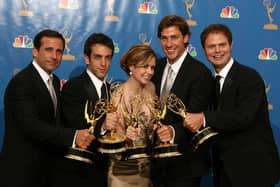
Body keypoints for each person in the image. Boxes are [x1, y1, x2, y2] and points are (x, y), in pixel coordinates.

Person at [184, 23, 280, 187]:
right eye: (211, 46)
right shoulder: (209, 82)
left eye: (222, 45)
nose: (217, 50)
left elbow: (243, 117)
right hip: (224, 170)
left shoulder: (249, 77)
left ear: (231, 46)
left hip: (253, 170)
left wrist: (204, 117)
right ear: (204, 49)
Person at [0, 29, 94, 187]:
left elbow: (54, 122)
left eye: (59, 51)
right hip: (22, 172)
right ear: (35, 51)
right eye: (48, 50)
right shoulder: (22, 82)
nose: (54, 56)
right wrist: (74, 136)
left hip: (46, 170)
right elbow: (31, 126)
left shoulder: (55, 81)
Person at [151, 15, 214, 187]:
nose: (169, 44)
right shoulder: (155, 67)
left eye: (174, 37)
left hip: (185, 163)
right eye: (164, 38)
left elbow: (195, 118)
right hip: (156, 162)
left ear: (186, 38)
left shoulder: (200, 73)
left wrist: (172, 131)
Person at [50, 33, 117, 187]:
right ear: (87, 58)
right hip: (77, 172)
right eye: (98, 57)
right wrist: (103, 126)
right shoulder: (74, 87)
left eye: (108, 58)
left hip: (103, 170)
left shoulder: (111, 90)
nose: (103, 63)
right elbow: (75, 123)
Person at [107, 44, 157, 187]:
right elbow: (115, 139)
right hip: (123, 170)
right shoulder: (118, 95)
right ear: (131, 66)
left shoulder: (151, 88)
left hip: (147, 167)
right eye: (145, 66)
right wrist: (126, 136)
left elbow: (153, 123)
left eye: (152, 67)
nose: (149, 71)